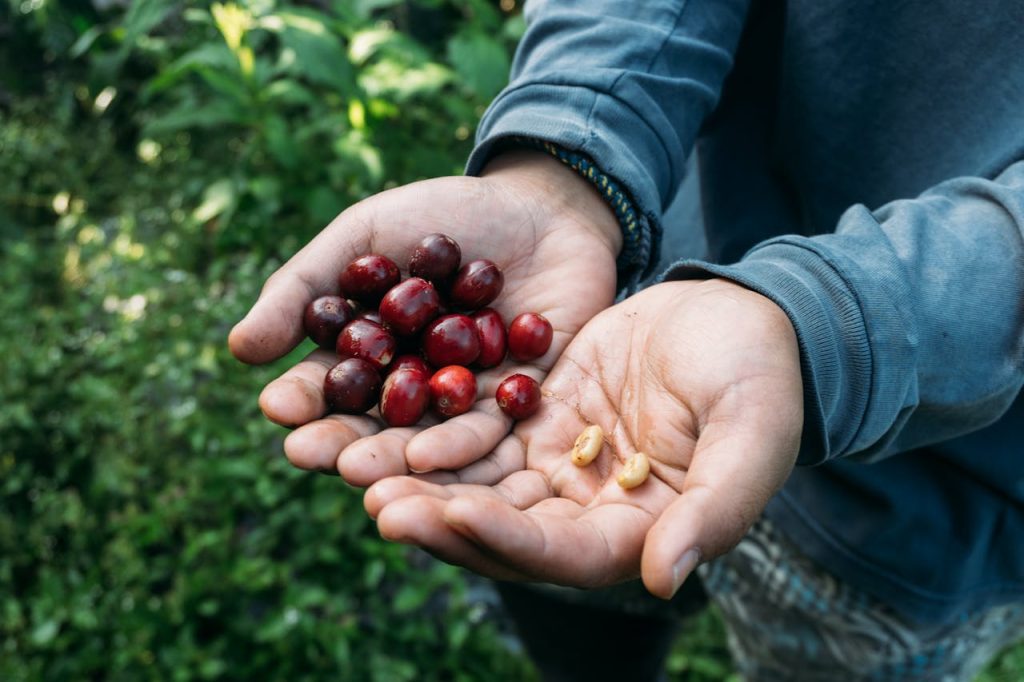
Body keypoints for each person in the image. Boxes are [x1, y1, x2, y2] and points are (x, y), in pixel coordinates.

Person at [228, 1, 1024, 679]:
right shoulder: (561, 342)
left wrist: (823, 323)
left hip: (935, 504)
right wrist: (567, 156)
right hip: (626, 333)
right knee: (564, 595)